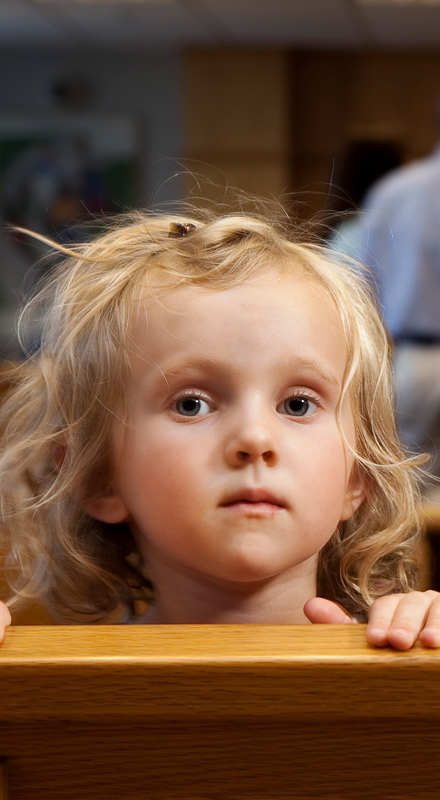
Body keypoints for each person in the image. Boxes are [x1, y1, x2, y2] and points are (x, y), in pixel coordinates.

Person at [0, 207, 439, 650]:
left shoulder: (406, 655)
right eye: (191, 405)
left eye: (298, 404)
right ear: (95, 475)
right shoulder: (66, 685)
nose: (254, 439)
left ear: (357, 473)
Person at [352, 133, 440, 485]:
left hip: (413, 360)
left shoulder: (394, 191)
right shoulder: (394, 190)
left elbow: (363, 281)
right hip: (412, 353)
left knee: (410, 485)